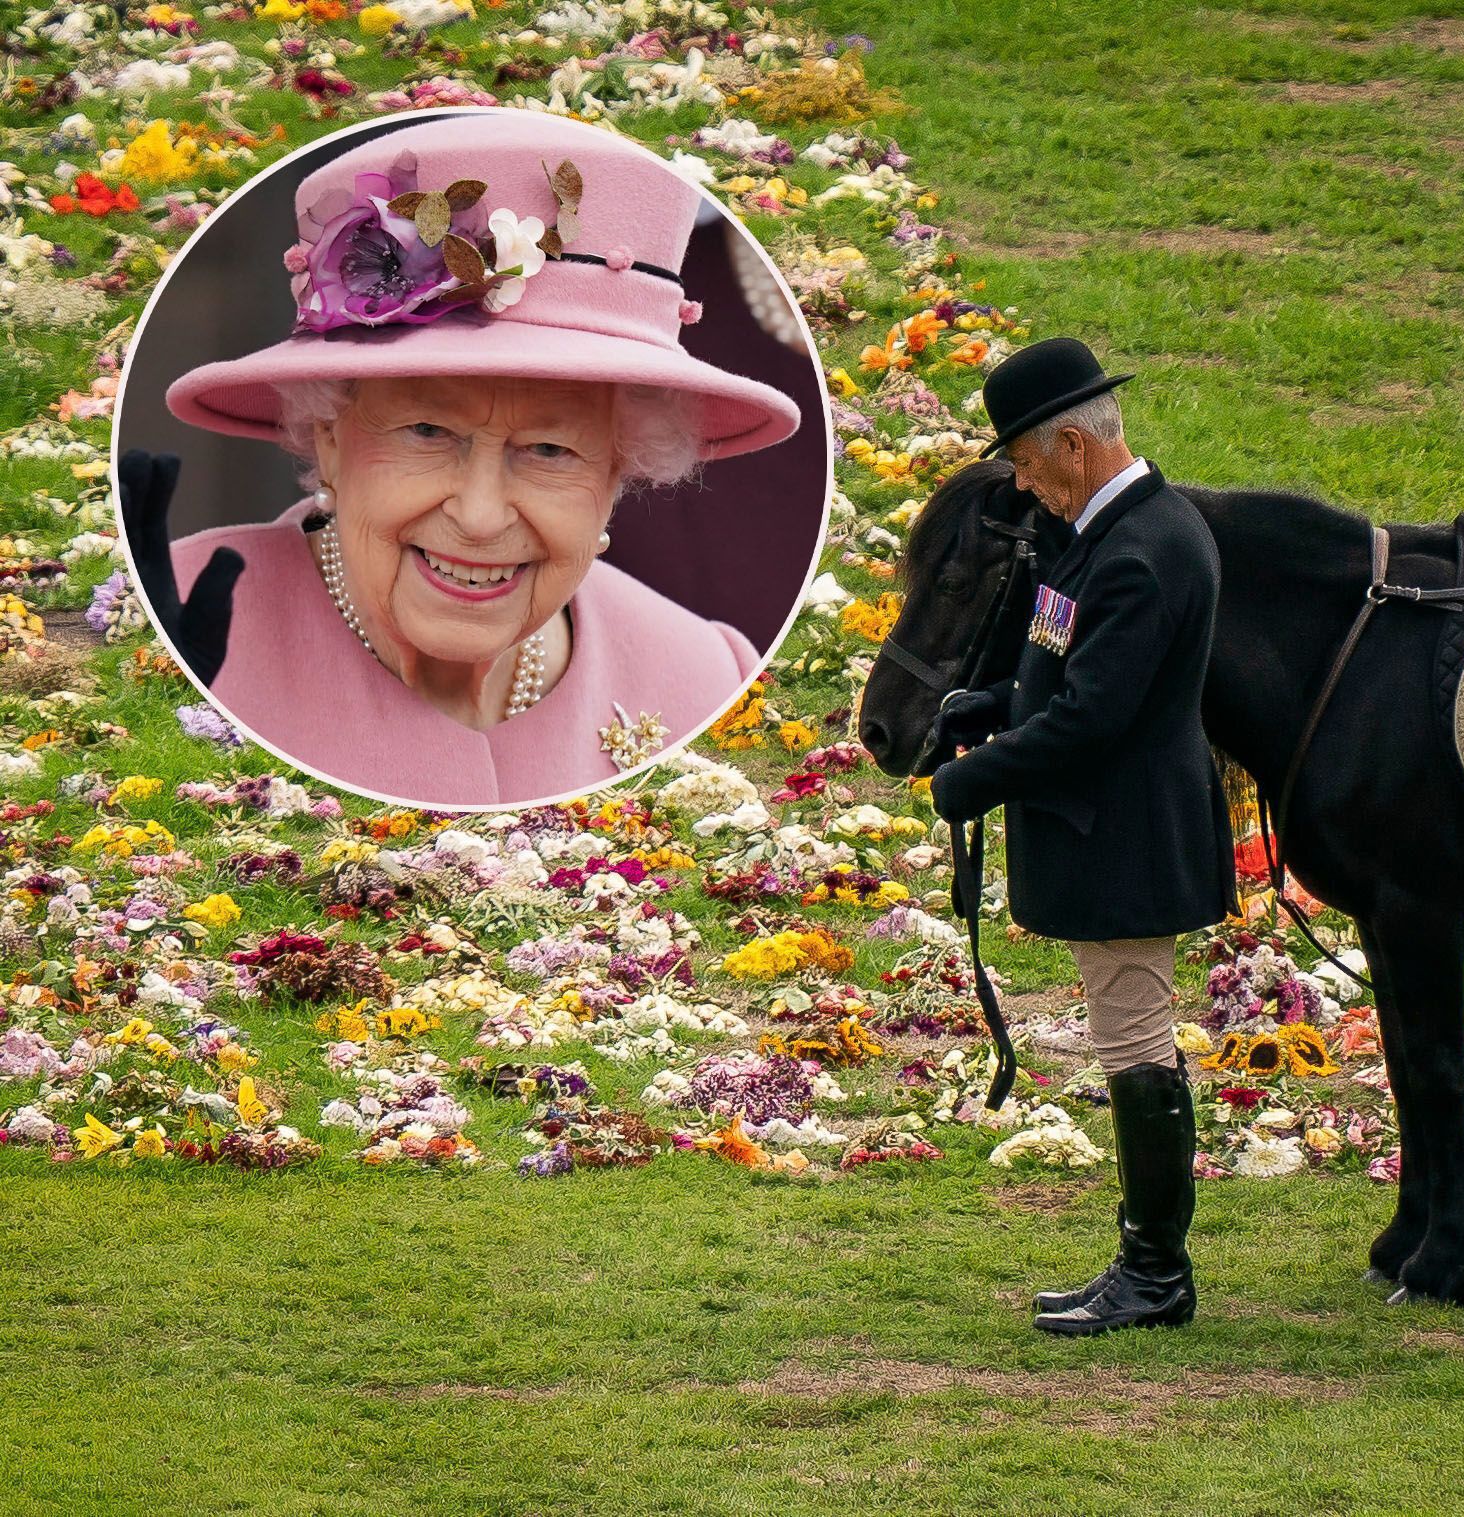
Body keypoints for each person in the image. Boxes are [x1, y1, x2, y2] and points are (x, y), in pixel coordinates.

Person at [131, 110, 804, 807]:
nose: (481, 517)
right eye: (427, 431)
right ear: (328, 434)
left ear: (617, 470)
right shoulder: (165, 622)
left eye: (550, 449)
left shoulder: (708, 679)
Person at [926, 337, 1239, 1336]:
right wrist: (988, 704)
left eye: (1024, 462)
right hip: (1114, 827)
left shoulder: (1142, 550)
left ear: (1071, 443)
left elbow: (1092, 719)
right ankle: (1148, 1265)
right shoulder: (1110, 533)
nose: (1022, 483)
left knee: (1136, 1043)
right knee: (1127, 1037)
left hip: (1127, 835)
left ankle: (1154, 1272)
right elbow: (1066, 667)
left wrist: (970, 780)